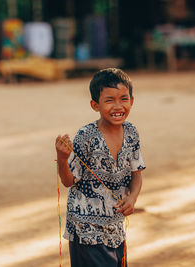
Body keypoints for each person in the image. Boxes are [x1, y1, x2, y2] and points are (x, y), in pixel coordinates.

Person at [55, 68, 146, 267]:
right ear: (95, 105)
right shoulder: (86, 136)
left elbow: (136, 175)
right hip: (86, 228)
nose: (118, 106)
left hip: (115, 228)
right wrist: (62, 159)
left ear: (132, 100)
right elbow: (69, 181)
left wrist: (132, 198)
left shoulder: (131, 133)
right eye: (109, 100)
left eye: (124, 98)